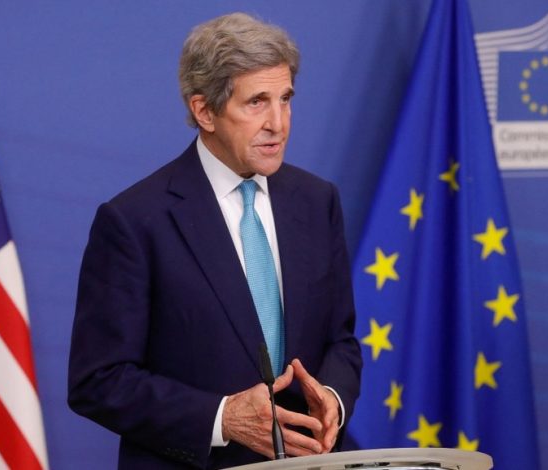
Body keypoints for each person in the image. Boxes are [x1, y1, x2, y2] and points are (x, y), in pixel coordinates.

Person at [68, 12, 362, 469]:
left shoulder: (316, 201)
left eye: (285, 99)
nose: (278, 123)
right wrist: (222, 418)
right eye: (256, 102)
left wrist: (332, 398)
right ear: (205, 111)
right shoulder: (134, 221)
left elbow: (340, 340)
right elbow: (99, 380)